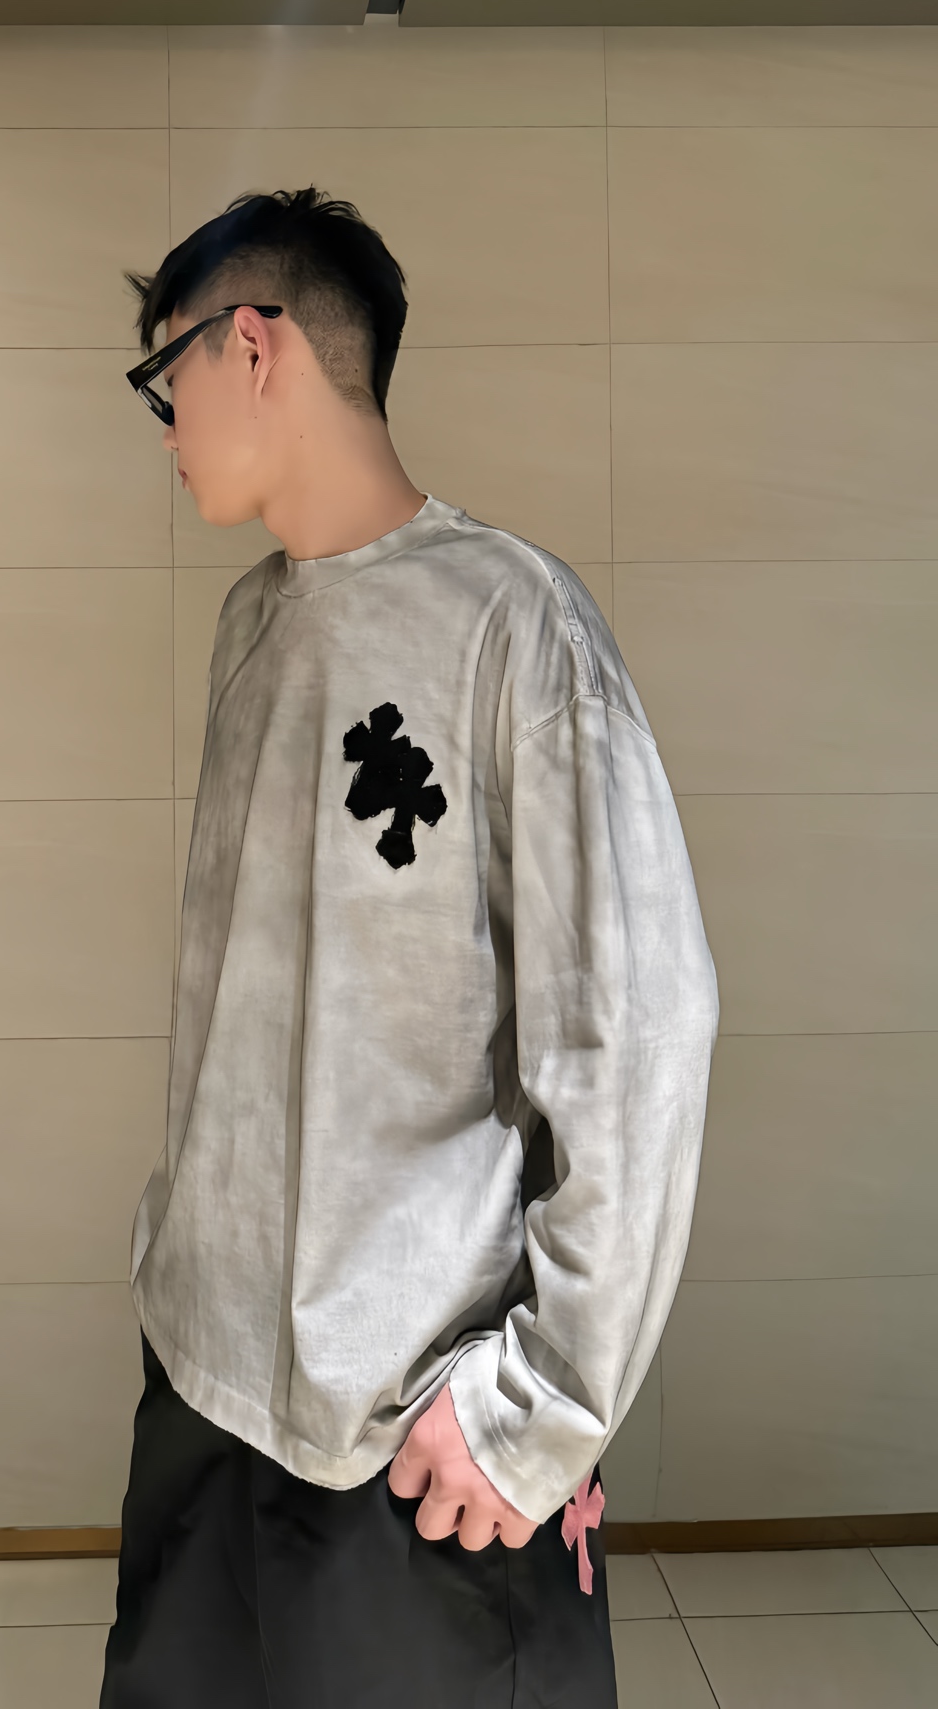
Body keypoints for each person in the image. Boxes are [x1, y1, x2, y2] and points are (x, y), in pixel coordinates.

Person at [101, 188, 718, 1708]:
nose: (163, 425)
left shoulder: (514, 624)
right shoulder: (252, 627)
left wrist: (541, 1411)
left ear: (252, 346)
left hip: (407, 1430)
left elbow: (636, 1039)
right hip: (203, 1383)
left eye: (165, 377)